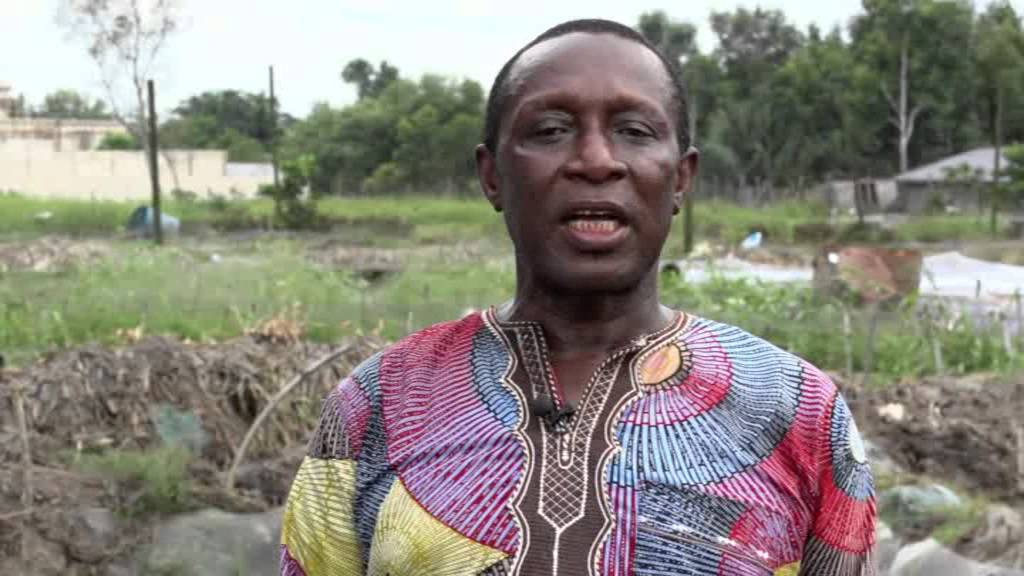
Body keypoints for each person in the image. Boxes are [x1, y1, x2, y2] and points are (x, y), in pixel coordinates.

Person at [279, 18, 876, 576]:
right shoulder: (377, 405)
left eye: (634, 132)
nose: (595, 161)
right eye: (551, 131)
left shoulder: (798, 411)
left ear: (681, 177)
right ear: (492, 175)